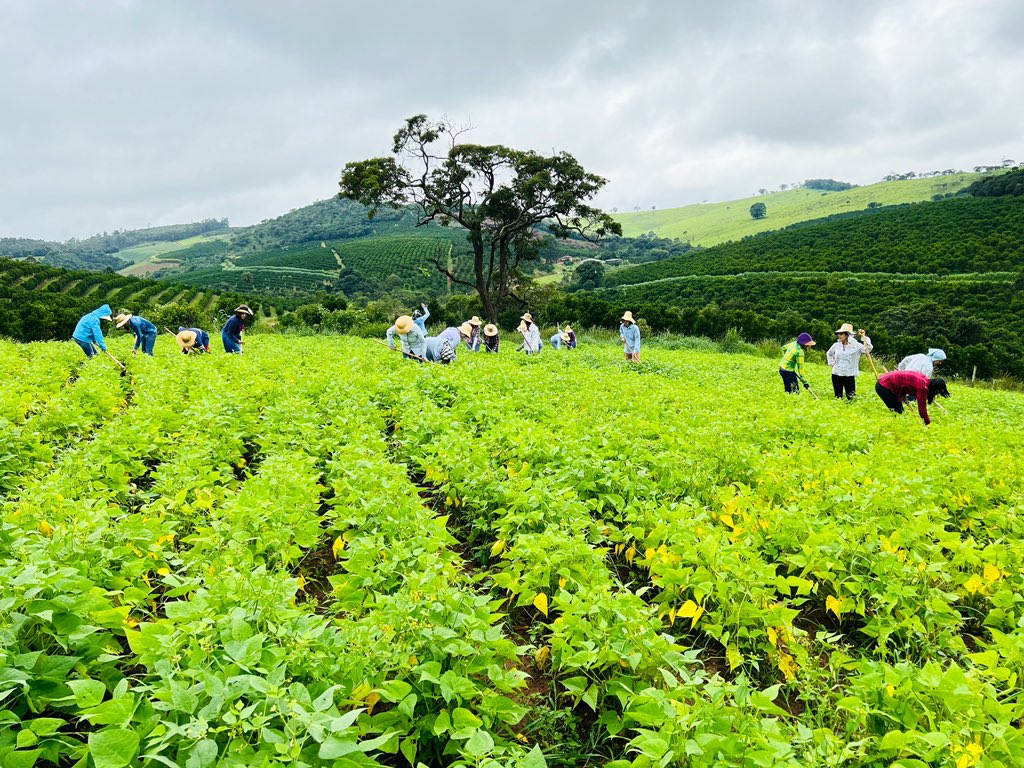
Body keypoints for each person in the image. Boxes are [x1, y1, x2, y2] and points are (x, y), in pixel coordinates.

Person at [876, 370, 950, 425]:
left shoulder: (925, 380)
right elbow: (922, 410)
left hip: (887, 382)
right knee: (898, 412)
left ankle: (897, 426)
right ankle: (893, 429)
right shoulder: (923, 387)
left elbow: (904, 384)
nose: (936, 394)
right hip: (884, 385)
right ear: (934, 388)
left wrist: (903, 395)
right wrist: (928, 423)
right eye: (937, 392)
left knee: (899, 410)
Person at [826, 323, 873, 400]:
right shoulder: (836, 345)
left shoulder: (856, 346)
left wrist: (863, 336)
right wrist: (832, 363)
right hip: (836, 373)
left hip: (849, 375)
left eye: (841, 334)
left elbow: (868, 349)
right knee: (838, 397)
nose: (839, 336)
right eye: (838, 334)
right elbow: (829, 353)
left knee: (851, 398)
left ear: (847, 335)